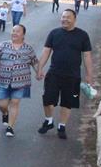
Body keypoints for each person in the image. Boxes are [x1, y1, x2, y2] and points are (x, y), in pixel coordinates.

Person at [36, 9, 94, 140]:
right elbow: (46, 52)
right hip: (54, 73)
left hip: (73, 76)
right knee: (47, 99)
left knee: (67, 103)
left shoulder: (82, 35)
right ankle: (48, 121)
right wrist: (40, 68)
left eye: (68, 17)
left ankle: (62, 126)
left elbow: (87, 55)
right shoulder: (54, 33)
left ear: (74, 19)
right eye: (63, 17)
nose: (65, 20)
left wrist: (89, 74)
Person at [0, 24, 38, 137]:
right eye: (13, 31)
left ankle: (10, 127)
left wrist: (39, 72)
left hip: (21, 82)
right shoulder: (4, 45)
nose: (14, 33)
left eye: (17, 31)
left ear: (23, 34)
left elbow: (34, 61)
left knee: (15, 103)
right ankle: (5, 113)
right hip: (4, 80)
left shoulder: (28, 49)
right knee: (2, 104)